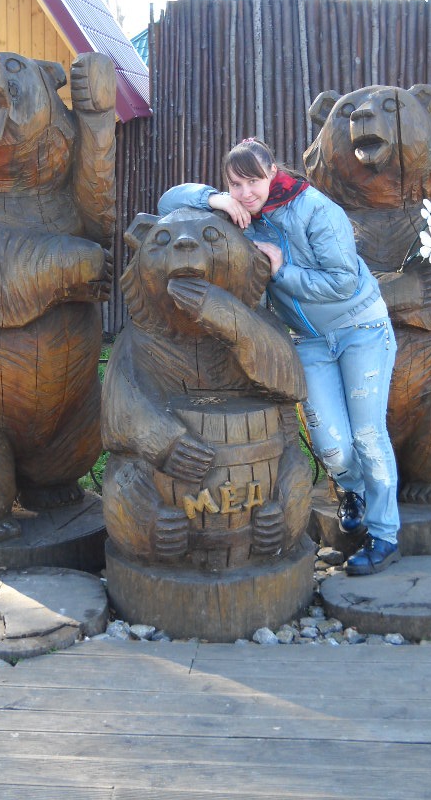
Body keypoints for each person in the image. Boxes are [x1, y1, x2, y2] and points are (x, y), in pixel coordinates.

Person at [158, 138, 400, 575]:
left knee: (367, 434)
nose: (246, 192)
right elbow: (168, 201)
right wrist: (214, 199)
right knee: (331, 445)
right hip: (309, 340)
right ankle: (353, 489)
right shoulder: (240, 213)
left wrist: (281, 271)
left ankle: (384, 534)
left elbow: (343, 282)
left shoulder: (315, 209)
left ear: (272, 171)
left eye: (253, 181)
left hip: (360, 329)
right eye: (235, 184)